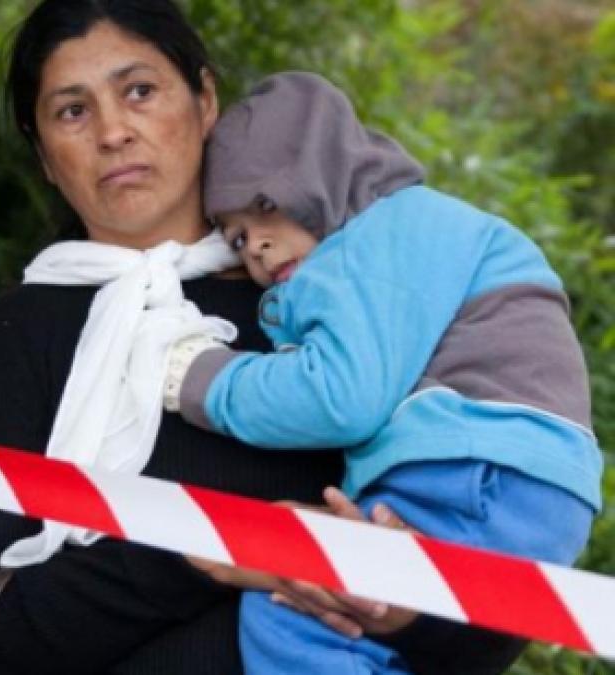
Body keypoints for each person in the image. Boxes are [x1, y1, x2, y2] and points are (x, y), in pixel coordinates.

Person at [0, 3, 346, 673]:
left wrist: (400, 593)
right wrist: (199, 551)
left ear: (205, 101)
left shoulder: (318, 301)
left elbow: (470, 617)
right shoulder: (17, 336)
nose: (114, 132)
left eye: (140, 92)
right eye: (72, 111)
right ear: (43, 154)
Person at [165, 71, 601, 673]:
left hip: (481, 473)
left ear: (323, 168)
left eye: (266, 206)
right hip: (511, 479)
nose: (257, 246)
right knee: (346, 629)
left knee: (291, 616)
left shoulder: (385, 234)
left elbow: (340, 398)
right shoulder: (405, 235)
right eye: (237, 237)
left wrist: (198, 377)